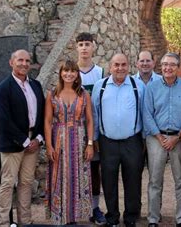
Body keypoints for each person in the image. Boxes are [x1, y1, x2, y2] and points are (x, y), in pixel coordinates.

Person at [91, 53, 146, 227]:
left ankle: (130, 217)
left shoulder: (138, 86)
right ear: (110, 67)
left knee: (133, 180)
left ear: (129, 66)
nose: (120, 68)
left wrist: (144, 140)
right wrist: (94, 140)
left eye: (123, 65)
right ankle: (112, 217)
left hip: (132, 141)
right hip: (108, 142)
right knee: (108, 180)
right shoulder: (100, 87)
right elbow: (94, 114)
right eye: (116, 65)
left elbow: (144, 112)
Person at [143, 52, 181, 227]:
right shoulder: (151, 88)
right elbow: (147, 114)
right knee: (155, 180)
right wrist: (159, 136)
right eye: (165, 64)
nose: (168, 68)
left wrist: (176, 137)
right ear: (161, 66)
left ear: (178, 67)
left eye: (172, 64)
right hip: (155, 138)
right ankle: (153, 218)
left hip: (179, 138)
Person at [0, 49, 45, 226]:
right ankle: (3, 223)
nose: (24, 64)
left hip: (33, 142)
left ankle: (25, 221)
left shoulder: (36, 86)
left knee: (26, 183)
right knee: (7, 184)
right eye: (20, 60)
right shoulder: (2, 89)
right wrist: (24, 141)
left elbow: (42, 115)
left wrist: (38, 138)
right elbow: (3, 119)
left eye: (27, 61)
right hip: (12, 144)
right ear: (11, 62)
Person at [44, 60, 94, 224]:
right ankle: (60, 216)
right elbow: (47, 121)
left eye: (73, 71)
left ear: (77, 74)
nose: (69, 74)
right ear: (60, 73)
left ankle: (74, 217)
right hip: (58, 140)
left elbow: (89, 121)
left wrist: (90, 144)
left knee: (78, 175)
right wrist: (49, 145)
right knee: (59, 176)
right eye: (66, 71)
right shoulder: (52, 94)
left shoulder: (84, 94)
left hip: (79, 140)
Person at [76, 32, 106, 225]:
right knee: (75, 170)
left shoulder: (101, 72)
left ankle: (95, 207)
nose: (84, 48)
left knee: (94, 170)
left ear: (94, 47)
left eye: (88, 44)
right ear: (76, 48)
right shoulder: (70, 71)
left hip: (94, 130)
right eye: (81, 44)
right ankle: (75, 208)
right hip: (74, 130)